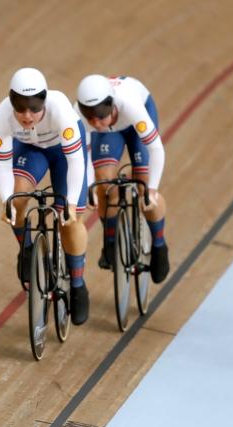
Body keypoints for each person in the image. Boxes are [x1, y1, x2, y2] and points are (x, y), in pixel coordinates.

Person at [0, 67, 91, 325]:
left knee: (70, 221)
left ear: (44, 102)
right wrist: (7, 201)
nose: (27, 116)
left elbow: (76, 162)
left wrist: (69, 204)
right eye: (20, 108)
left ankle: (78, 284)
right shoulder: (2, 116)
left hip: (64, 155)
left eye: (34, 109)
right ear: (11, 102)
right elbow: (2, 165)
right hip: (31, 150)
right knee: (18, 201)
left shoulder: (61, 111)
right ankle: (27, 251)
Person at [75, 74, 170, 283]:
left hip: (135, 123)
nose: (95, 122)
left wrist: (152, 188)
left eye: (100, 115)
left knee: (145, 191)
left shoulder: (131, 104)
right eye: (89, 116)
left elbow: (156, 149)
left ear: (112, 104)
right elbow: (84, 157)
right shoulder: (80, 116)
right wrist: (91, 187)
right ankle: (110, 241)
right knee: (103, 182)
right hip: (111, 132)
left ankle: (159, 244)